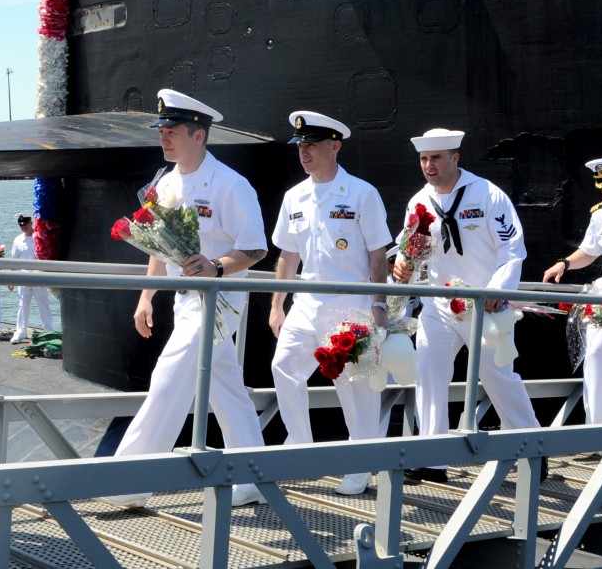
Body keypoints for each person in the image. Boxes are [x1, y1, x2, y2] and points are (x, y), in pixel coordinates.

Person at [103, 89, 269, 509]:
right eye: (162, 130)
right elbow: (159, 249)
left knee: (170, 378)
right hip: (183, 301)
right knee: (225, 388)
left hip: (220, 299)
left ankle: (129, 480)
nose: (164, 137)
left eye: (172, 130)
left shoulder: (231, 185)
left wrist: (215, 267)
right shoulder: (164, 184)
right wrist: (146, 298)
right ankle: (252, 476)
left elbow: (255, 248)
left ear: (199, 135)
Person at [393, 128, 541, 484]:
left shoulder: (488, 195)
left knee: (496, 376)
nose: (429, 165)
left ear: (455, 158)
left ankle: (534, 447)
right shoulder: (418, 203)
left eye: (437, 158)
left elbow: (512, 250)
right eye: (424, 159)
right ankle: (433, 455)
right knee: (429, 372)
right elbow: (414, 253)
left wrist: (496, 290)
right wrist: (404, 266)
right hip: (439, 304)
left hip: (483, 304)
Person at [268, 111, 392, 496]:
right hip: (307, 300)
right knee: (283, 366)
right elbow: (287, 257)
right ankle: (301, 446)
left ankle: (360, 463)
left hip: (351, 302)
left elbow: (378, 255)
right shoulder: (294, 197)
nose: (304, 152)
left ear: (334, 146)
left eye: (312, 145)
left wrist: (379, 304)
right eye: (300, 146)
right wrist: (277, 305)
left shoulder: (362, 193)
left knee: (355, 387)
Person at [542, 155, 602, 425]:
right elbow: (590, 251)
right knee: (596, 354)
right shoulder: (601, 214)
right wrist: (564, 263)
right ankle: (596, 425)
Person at [9, 211, 54, 343]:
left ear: (31, 223)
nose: (23, 226)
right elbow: (13, 261)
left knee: (44, 306)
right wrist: (11, 279)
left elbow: (46, 257)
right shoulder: (17, 240)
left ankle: (48, 333)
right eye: (21, 224)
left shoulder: (39, 237)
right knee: (23, 306)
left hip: (38, 276)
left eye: (25, 224)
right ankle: (20, 332)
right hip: (23, 277)